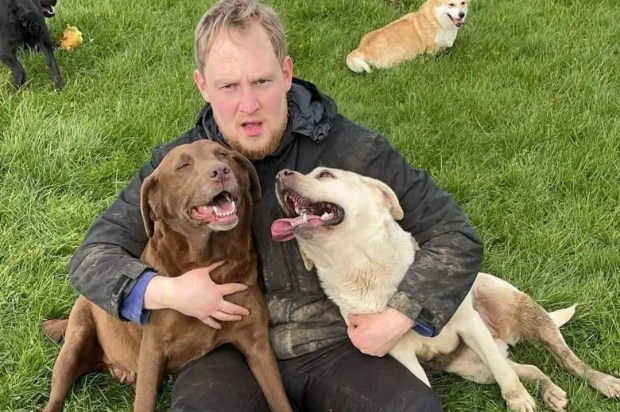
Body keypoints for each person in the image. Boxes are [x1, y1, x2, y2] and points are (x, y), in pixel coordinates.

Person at [68, 0, 483, 410]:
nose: (248, 104)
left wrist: (398, 316)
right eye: (229, 86)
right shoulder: (177, 168)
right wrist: (165, 290)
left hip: (336, 342)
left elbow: (455, 235)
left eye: (261, 81)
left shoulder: (352, 150)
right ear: (203, 85)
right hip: (218, 349)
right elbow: (92, 258)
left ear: (286, 74)